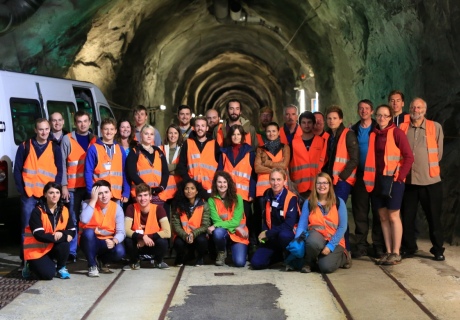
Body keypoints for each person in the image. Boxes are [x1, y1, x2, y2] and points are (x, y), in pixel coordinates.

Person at [363, 104, 413, 265]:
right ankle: (388, 251)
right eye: (379, 115)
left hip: (393, 181)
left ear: (390, 117)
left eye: (385, 115)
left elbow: (409, 157)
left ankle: (396, 252)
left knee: (393, 216)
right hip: (377, 180)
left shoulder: (397, 133)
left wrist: (400, 178)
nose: (381, 118)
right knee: (383, 217)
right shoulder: (373, 134)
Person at [14, 118, 63, 267]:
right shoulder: (24, 146)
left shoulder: (54, 147)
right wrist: (22, 190)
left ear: (50, 130)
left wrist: (55, 192)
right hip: (29, 195)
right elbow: (17, 170)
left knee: (48, 227)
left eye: (47, 129)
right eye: (41, 129)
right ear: (35, 130)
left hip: (47, 197)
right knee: (27, 228)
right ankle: (26, 260)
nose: (44, 132)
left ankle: (46, 257)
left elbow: (60, 170)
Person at [400, 98, 445, 261]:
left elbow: (438, 154)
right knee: (407, 217)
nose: (416, 110)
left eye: (419, 107)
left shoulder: (435, 127)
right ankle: (408, 247)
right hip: (409, 182)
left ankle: (438, 249)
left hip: (430, 181)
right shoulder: (403, 127)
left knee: (434, 217)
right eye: (413, 107)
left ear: (424, 110)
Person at [294, 173, 348, 273]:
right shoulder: (309, 202)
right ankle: (309, 262)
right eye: (319, 183)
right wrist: (296, 242)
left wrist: (330, 246)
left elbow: (342, 227)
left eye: (325, 183)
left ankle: (344, 257)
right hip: (316, 238)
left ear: (330, 185)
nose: (322, 186)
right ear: (315, 186)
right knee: (312, 242)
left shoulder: (339, 202)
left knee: (325, 268)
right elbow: (302, 225)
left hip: (335, 241)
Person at [60, 111, 96, 262]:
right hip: (73, 187)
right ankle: (72, 252)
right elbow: (62, 164)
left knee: (90, 219)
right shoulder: (67, 139)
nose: (83, 124)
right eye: (79, 121)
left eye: (85, 121)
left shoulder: (95, 139)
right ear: (75, 123)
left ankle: (90, 250)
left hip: (90, 186)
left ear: (90, 122)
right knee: (73, 219)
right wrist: (63, 186)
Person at [322, 106, 358, 256]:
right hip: (332, 180)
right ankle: (335, 246)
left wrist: (341, 177)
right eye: (329, 118)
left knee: (340, 214)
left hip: (343, 181)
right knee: (332, 213)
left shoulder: (348, 134)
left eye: (335, 118)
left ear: (341, 119)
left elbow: (354, 159)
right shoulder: (330, 136)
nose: (331, 121)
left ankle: (346, 250)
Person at [350, 100, 383, 258]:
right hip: (360, 176)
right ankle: (361, 245)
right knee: (360, 212)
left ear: (372, 111)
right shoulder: (354, 130)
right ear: (358, 111)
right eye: (361, 108)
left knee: (377, 211)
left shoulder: (378, 128)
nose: (363, 111)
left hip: (376, 175)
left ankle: (378, 245)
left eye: (367, 109)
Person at [22, 182, 75, 280]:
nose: (55, 195)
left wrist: (63, 234)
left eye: (57, 192)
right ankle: (29, 264)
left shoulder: (64, 210)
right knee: (48, 275)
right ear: (45, 194)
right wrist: (63, 236)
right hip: (36, 249)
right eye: (51, 193)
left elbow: (72, 230)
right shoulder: (37, 211)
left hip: (51, 246)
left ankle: (61, 268)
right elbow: (39, 235)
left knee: (64, 244)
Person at [251, 168, 299, 270]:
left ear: (284, 181)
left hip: (287, 236)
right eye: (272, 179)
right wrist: (265, 233)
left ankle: (289, 256)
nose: (275, 183)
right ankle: (278, 256)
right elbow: (265, 217)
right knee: (256, 263)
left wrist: (267, 233)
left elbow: (288, 225)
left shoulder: (291, 198)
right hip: (272, 237)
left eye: (278, 179)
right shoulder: (267, 194)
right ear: (269, 181)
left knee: (284, 235)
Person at [219, 125, 256, 246]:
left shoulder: (249, 152)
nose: (236, 137)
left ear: (243, 136)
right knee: (228, 219)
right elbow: (219, 173)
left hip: (244, 195)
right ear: (230, 136)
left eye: (238, 134)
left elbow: (253, 175)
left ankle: (250, 245)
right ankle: (230, 245)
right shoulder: (224, 152)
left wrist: (251, 193)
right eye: (233, 134)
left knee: (248, 221)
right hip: (227, 194)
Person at [79, 180, 126, 277]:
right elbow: (84, 219)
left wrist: (114, 241)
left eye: (106, 192)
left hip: (107, 242)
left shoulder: (117, 208)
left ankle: (102, 261)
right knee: (88, 233)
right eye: (100, 193)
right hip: (90, 242)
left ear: (111, 193)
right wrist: (93, 200)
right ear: (94, 194)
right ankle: (92, 265)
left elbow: (121, 232)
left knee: (120, 251)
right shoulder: (87, 204)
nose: (104, 196)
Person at [254, 122, 290, 245]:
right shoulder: (260, 149)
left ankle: (277, 242)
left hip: (280, 189)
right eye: (268, 131)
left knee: (278, 216)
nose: (271, 133)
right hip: (262, 190)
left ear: (278, 132)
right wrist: (276, 170)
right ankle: (262, 242)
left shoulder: (285, 148)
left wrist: (267, 163)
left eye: (274, 131)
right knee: (263, 218)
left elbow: (284, 166)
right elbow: (257, 168)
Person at [123, 183, 171, 270]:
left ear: (150, 197)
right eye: (140, 196)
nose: (143, 198)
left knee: (163, 242)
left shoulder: (159, 209)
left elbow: (167, 232)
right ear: (136, 198)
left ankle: (158, 261)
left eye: (145, 195)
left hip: (152, 243)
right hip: (137, 244)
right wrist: (141, 237)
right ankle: (134, 261)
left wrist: (147, 238)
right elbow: (126, 230)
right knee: (128, 240)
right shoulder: (131, 208)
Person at [84, 118, 130, 205]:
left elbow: (125, 172)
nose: (109, 132)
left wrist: (126, 192)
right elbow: (88, 172)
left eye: (112, 129)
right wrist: (91, 192)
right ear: (101, 130)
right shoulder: (94, 148)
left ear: (116, 131)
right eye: (106, 129)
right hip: (100, 195)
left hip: (116, 195)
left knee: (115, 218)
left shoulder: (120, 149)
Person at [208, 171, 249, 267]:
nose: (222, 185)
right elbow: (216, 220)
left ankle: (237, 250)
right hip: (225, 233)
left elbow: (235, 221)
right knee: (218, 233)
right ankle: (222, 252)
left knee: (239, 263)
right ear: (215, 184)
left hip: (238, 235)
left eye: (224, 182)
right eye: (219, 182)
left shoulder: (238, 198)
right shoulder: (211, 200)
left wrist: (215, 226)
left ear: (228, 183)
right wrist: (235, 227)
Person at [171, 179, 210, 266]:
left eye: (192, 188)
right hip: (183, 235)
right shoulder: (178, 205)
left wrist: (193, 234)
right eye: (186, 188)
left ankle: (200, 258)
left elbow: (205, 225)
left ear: (196, 191)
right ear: (183, 191)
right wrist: (185, 236)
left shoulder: (204, 205)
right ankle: (180, 258)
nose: (189, 191)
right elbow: (176, 226)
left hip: (198, 234)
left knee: (202, 240)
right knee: (178, 243)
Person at [176, 116, 221, 193]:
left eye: (203, 126)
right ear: (193, 128)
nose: (200, 128)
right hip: (192, 189)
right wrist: (189, 182)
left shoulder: (214, 144)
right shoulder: (188, 143)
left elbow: (220, 167)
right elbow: (181, 165)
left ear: (207, 128)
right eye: (198, 126)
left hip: (209, 189)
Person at [125, 124, 169, 202]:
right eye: (146, 134)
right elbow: (131, 173)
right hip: (140, 194)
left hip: (158, 194)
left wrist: (162, 187)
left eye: (151, 134)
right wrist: (146, 188)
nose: (149, 136)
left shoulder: (159, 152)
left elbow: (165, 172)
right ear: (141, 135)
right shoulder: (135, 151)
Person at [290, 111, 326, 199]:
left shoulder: (322, 141)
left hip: (317, 186)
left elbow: (325, 163)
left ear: (314, 124)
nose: (306, 125)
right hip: (298, 186)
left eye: (309, 122)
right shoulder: (293, 143)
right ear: (299, 124)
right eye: (303, 122)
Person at [159, 124, 184, 218]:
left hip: (177, 188)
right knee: (164, 217)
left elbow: (182, 167)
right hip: (163, 188)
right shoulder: (160, 149)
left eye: (175, 133)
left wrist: (166, 169)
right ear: (167, 134)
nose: (173, 135)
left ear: (179, 135)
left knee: (176, 217)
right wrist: (174, 168)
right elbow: (159, 167)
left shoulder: (183, 149)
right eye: (170, 133)